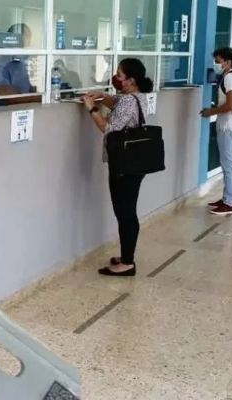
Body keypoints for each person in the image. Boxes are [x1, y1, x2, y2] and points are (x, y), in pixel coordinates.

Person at [81, 58, 155, 277]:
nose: (116, 78)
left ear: (131, 80)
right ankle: (126, 257)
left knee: (125, 213)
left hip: (124, 165)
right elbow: (118, 103)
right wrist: (101, 95)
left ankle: (127, 263)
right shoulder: (138, 97)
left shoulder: (128, 101)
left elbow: (109, 128)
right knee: (127, 211)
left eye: (120, 75)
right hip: (135, 163)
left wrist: (92, 108)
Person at [201, 47, 232, 216]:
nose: (216, 64)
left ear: (228, 61)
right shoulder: (230, 76)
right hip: (229, 124)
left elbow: (230, 105)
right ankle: (226, 198)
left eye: (218, 61)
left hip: (227, 125)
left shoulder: (231, 78)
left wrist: (210, 112)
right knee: (227, 163)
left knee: (228, 164)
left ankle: (229, 202)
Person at [0, 24, 34, 97]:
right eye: (27, 38)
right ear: (14, 39)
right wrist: (39, 98)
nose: (29, 43)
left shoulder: (19, 63)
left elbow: (27, 89)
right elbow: (7, 96)